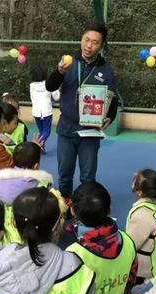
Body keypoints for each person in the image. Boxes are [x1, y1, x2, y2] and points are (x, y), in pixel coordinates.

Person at [46, 23, 118, 199]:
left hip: (90, 131)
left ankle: (84, 211)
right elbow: (50, 86)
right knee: (64, 176)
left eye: (95, 42)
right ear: (81, 39)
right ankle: (65, 208)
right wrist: (59, 72)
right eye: (86, 40)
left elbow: (112, 97)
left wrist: (110, 116)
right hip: (66, 129)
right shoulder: (69, 62)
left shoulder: (106, 70)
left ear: (101, 46)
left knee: (88, 178)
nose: (89, 46)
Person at [66, 181, 137, 294]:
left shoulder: (73, 254)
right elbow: (128, 287)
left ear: (73, 211)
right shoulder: (127, 241)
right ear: (110, 208)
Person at [126, 169, 156, 280]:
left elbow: (129, 247)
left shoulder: (142, 215)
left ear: (140, 192)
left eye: (136, 179)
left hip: (142, 275)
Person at [30, 64, 60, 152]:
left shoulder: (31, 86)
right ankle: (39, 144)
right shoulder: (49, 83)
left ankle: (41, 147)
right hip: (47, 111)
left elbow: (32, 98)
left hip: (36, 112)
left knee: (41, 130)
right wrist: (58, 89)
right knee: (46, 131)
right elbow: (56, 97)